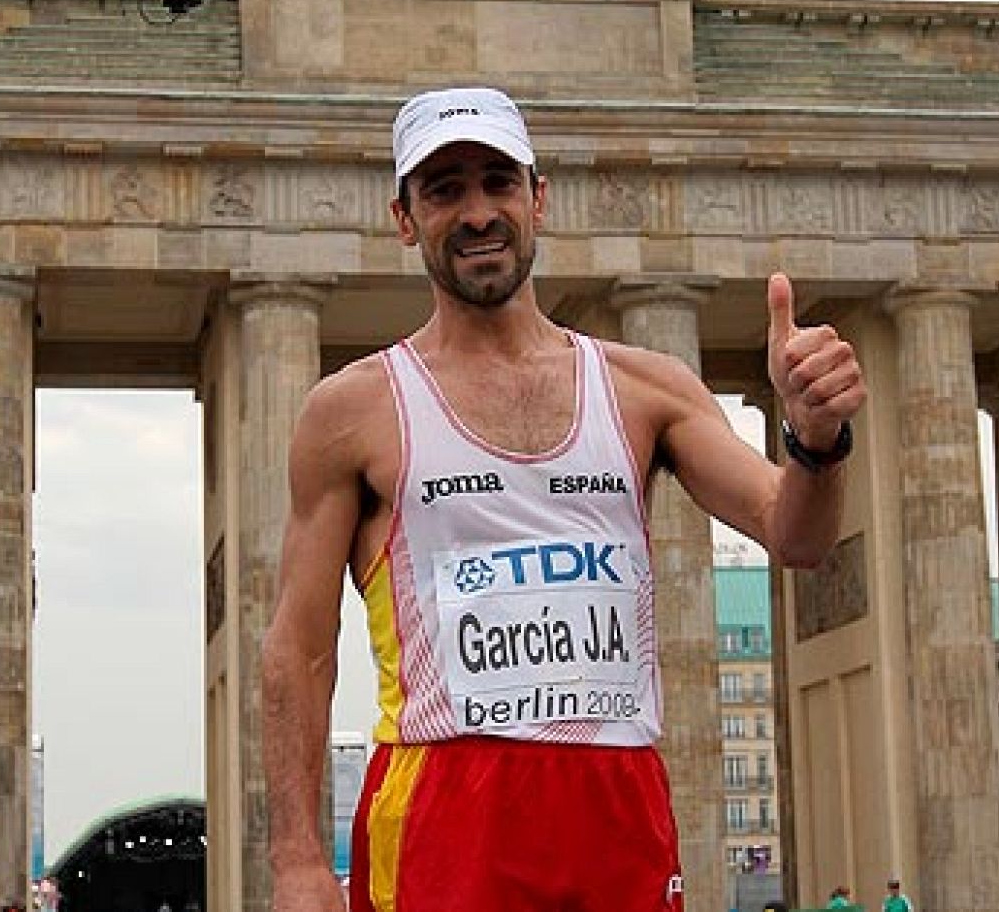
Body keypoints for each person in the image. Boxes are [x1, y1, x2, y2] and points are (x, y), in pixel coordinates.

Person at [261, 85, 866, 911]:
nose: (478, 212)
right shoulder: (353, 409)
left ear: (538, 198)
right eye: (444, 190)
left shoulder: (647, 387)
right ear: (404, 218)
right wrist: (298, 861)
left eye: (498, 182)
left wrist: (816, 441)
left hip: (616, 800)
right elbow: (297, 648)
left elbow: (793, 532)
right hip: (446, 800)